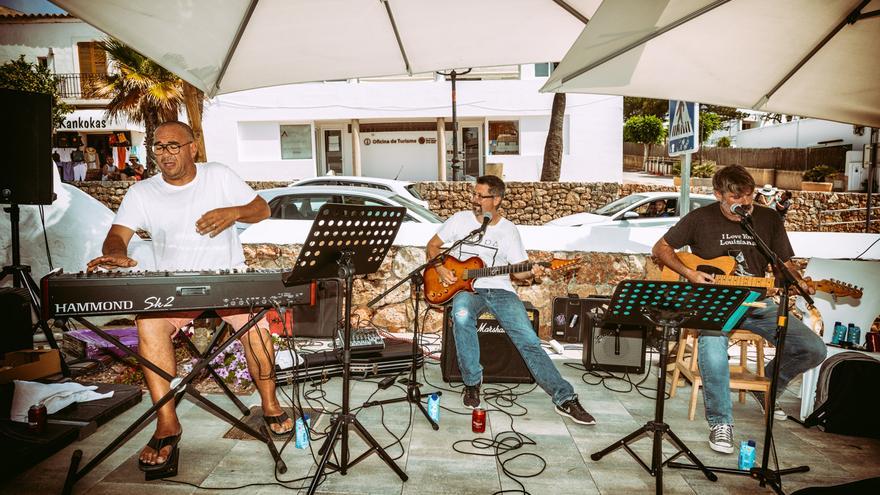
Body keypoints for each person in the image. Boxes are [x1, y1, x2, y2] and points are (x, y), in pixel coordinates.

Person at [86, 121, 292, 473]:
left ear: (192, 147)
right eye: (159, 146)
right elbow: (116, 236)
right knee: (147, 324)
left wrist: (235, 212)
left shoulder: (219, 176)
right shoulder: (142, 192)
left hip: (226, 281)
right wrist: (116, 252)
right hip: (173, 289)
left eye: (173, 146)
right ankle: (167, 423)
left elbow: (263, 209)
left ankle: (269, 403)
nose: (165, 154)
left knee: (256, 324)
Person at [651, 165, 826, 454]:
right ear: (718, 194)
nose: (744, 202)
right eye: (735, 196)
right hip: (714, 302)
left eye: (748, 195)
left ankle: (768, 386)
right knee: (712, 345)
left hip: (758, 303)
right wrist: (691, 273)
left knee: (813, 348)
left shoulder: (768, 219)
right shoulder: (699, 219)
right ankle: (721, 422)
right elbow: (661, 248)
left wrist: (797, 281)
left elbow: (785, 263)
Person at [426, 175, 596, 425]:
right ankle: (472, 384)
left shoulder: (508, 230)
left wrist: (532, 271)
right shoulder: (460, 220)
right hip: (465, 289)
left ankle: (565, 397)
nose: (474, 200)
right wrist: (442, 271)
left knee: (529, 340)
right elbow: (432, 247)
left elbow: (518, 271)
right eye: (474, 194)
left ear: (496, 200)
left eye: (480, 196)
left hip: (500, 289)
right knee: (460, 316)